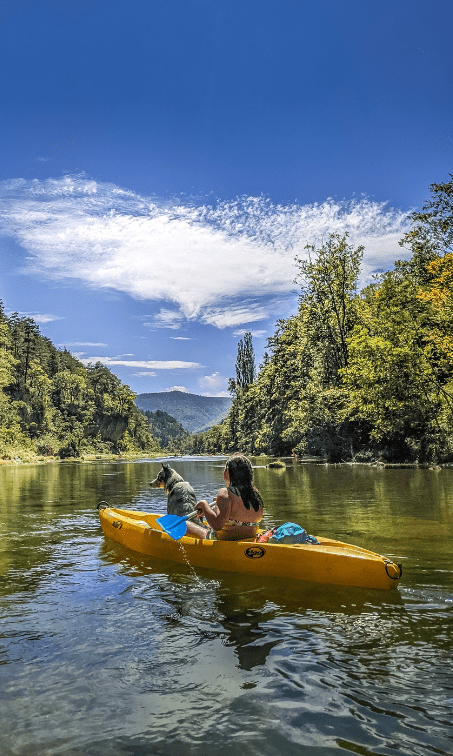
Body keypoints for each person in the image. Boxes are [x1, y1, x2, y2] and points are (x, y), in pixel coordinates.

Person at [185, 454, 264, 540]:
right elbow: (236, 515)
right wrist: (214, 508)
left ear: (227, 472)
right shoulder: (255, 495)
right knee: (207, 525)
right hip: (249, 538)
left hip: (225, 540)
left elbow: (217, 525)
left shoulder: (225, 493)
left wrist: (204, 505)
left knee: (185, 525)